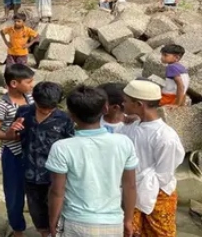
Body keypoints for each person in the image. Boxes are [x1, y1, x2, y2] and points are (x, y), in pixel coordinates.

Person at [46, 86, 138, 237]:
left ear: (71, 115)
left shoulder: (61, 148)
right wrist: (128, 220)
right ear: (105, 108)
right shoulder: (124, 142)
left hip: (75, 222)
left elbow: (57, 191)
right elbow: (130, 185)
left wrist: (52, 222)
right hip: (112, 222)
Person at [6, 82, 74, 237]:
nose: (46, 110)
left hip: (55, 176)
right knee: (36, 212)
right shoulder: (24, 113)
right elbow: (14, 136)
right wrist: (13, 130)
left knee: (57, 211)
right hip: (30, 173)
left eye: (50, 107)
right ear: (34, 100)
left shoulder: (64, 120)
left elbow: (72, 146)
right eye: (42, 107)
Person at [118, 79, 185, 237]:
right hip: (132, 190)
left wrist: (138, 188)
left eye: (126, 101)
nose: (122, 103)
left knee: (160, 233)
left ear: (139, 105)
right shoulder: (131, 127)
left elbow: (164, 175)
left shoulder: (165, 137)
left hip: (159, 194)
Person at [0, 64, 35, 237]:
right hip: (13, 154)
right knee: (14, 195)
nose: (32, 85)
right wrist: (10, 135)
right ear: (14, 83)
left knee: (35, 191)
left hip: (31, 152)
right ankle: (18, 230)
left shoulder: (30, 98)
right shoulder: (2, 104)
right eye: (28, 81)